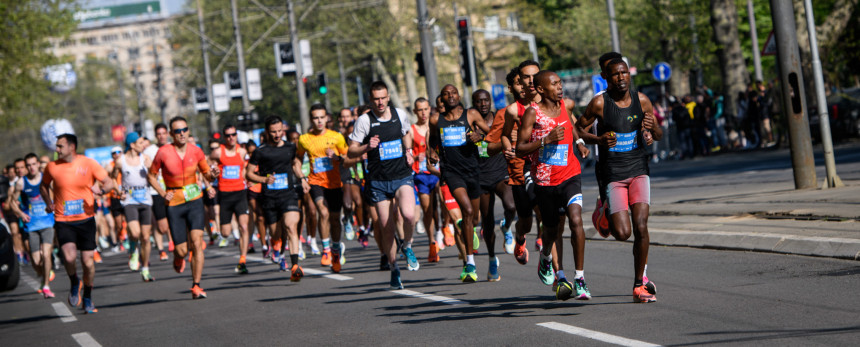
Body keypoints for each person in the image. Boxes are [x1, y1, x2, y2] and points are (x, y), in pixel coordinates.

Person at [576, 57, 662, 303]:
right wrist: (599, 140)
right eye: (615, 74)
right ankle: (603, 209)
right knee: (623, 233)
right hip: (612, 174)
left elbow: (658, 134)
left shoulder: (642, 100)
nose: (621, 77)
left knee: (642, 226)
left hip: (639, 170)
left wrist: (652, 128)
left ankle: (639, 285)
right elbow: (579, 130)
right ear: (607, 78)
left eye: (624, 73)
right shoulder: (600, 103)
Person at [517, 70, 591, 300]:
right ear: (540, 89)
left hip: (570, 174)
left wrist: (579, 142)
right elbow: (520, 148)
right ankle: (546, 257)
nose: (560, 87)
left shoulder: (565, 105)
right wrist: (545, 140)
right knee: (550, 229)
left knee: (576, 219)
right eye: (555, 84)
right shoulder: (533, 113)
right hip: (546, 180)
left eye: (560, 83)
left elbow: (572, 125)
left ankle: (579, 278)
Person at [347, 81, 418, 289]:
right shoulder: (364, 121)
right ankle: (395, 269)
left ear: (388, 97)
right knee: (386, 227)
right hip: (378, 181)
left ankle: (407, 245)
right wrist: (366, 147)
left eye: (383, 98)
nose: (380, 102)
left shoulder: (399, 114)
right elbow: (351, 151)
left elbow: (406, 133)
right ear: (371, 100)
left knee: (409, 215)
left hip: (402, 175)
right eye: (376, 98)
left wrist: (408, 151)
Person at [41, 134, 115, 313]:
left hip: (86, 219)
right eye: (56, 146)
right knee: (68, 257)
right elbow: (43, 186)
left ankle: (88, 296)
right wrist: (48, 203)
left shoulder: (88, 163)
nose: (56, 150)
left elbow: (109, 182)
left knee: (88, 262)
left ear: (71, 147)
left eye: (60, 146)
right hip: (63, 220)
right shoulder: (52, 167)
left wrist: (101, 190)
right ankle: (75, 281)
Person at [148, 117, 219, 299]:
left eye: (184, 130)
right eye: (177, 131)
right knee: (181, 250)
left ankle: (196, 285)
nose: (182, 133)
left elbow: (206, 176)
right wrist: (163, 193)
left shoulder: (196, 151)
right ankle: (178, 256)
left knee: (197, 242)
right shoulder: (163, 152)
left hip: (195, 199)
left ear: (188, 131)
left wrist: (213, 174)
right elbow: (151, 176)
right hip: (174, 203)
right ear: (172, 134)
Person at [426, 84, 491, 283]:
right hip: (452, 172)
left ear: (458, 95)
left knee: (475, 217)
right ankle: (470, 263)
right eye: (446, 94)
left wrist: (479, 137)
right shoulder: (436, 119)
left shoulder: (471, 114)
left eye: (453, 93)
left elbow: (490, 133)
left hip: (473, 170)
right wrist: (433, 152)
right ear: (442, 99)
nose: (451, 96)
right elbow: (433, 141)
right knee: (468, 211)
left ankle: (467, 228)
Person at [246, 116, 307, 281]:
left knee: (291, 227)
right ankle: (276, 245)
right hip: (270, 198)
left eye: (280, 131)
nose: (277, 134)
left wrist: (302, 178)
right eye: (273, 131)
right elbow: (249, 173)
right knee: (275, 233)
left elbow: (295, 164)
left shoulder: (290, 147)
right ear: (267, 132)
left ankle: (295, 266)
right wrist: (264, 179)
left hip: (288, 195)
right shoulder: (261, 151)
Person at [296, 104, 355, 273]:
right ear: (311, 119)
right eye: (316, 118)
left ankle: (336, 250)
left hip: (334, 183)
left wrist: (336, 157)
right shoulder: (304, 139)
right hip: (315, 182)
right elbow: (298, 159)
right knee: (323, 212)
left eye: (322, 117)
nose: (319, 121)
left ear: (327, 119)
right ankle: (326, 251)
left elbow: (347, 158)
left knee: (335, 219)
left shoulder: (336, 137)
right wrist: (301, 178)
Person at [472, 89, 516, 282]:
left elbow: (506, 138)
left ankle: (507, 227)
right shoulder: (469, 122)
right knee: (487, 222)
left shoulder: (498, 119)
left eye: (486, 100)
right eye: (479, 101)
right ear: (474, 103)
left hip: (499, 172)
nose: (483, 104)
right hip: (480, 177)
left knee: (511, 205)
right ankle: (491, 259)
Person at [10, 153, 55, 297]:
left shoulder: (46, 178)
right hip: (32, 226)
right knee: (36, 260)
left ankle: (46, 286)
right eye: (28, 165)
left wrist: (54, 206)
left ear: (38, 164)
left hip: (48, 223)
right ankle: (45, 276)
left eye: (33, 164)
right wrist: (21, 214)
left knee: (46, 253)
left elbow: (58, 192)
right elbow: (12, 202)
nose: (31, 167)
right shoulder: (21, 183)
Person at [113, 132, 155, 281]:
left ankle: (145, 268)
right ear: (132, 145)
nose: (143, 145)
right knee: (135, 233)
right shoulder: (121, 161)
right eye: (140, 142)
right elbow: (113, 178)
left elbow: (153, 178)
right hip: (130, 201)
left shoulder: (146, 159)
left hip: (145, 200)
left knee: (145, 237)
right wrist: (119, 192)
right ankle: (133, 247)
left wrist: (151, 169)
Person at [210, 125, 251, 274]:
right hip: (225, 194)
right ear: (224, 137)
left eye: (233, 134)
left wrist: (249, 179)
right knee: (225, 233)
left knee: (244, 227)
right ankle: (227, 235)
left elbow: (245, 169)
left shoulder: (242, 151)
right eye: (228, 135)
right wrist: (212, 172)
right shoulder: (218, 152)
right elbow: (208, 164)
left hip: (240, 193)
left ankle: (242, 259)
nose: (231, 138)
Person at [410, 97, 442, 262]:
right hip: (422, 175)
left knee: (443, 195)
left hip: (437, 172)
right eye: (419, 110)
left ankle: (445, 228)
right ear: (415, 111)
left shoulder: (436, 126)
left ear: (430, 109)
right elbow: (407, 154)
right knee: (428, 210)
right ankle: (432, 243)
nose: (423, 113)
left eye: (425, 109)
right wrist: (416, 156)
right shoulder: (412, 130)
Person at [142, 123, 172, 261]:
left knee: (173, 218)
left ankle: (172, 244)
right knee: (161, 225)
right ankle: (161, 249)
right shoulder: (149, 151)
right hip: (156, 192)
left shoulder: (173, 148)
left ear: (168, 134)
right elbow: (145, 172)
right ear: (156, 136)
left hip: (172, 188)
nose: (161, 136)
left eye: (163, 133)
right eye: (158, 134)